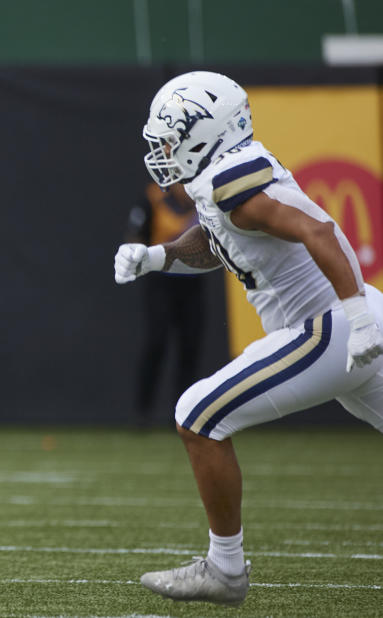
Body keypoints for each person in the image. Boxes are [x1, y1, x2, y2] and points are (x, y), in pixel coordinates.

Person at [113, 70, 383, 607]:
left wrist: (356, 316)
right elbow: (221, 240)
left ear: (202, 132)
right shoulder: (230, 175)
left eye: (170, 138)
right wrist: (157, 257)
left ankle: (225, 569)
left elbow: (320, 231)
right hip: (349, 318)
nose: (163, 151)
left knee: (197, 413)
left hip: (327, 327)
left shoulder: (228, 182)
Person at [124, 181, 204, 426]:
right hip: (161, 281)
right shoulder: (152, 197)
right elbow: (135, 235)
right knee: (157, 341)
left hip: (193, 280)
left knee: (189, 346)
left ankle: (182, 413)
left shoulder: (203, 199)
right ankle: (142, 411)